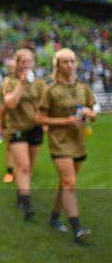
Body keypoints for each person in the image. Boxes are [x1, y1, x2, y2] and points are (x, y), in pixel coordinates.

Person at [36, 48, 96, 242]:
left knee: (65, 183)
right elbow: (39, 118)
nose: (70, 65)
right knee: (70, 183)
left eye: (72, 61)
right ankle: (77, 229)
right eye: (65, 62)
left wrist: (89, 113)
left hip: (79, 142)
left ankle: (53, 217)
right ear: (57, 65)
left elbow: (93, 113)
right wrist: (65, 121)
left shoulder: (83, 88)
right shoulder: (51, 90)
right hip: (60, 143)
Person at [2, 48, 45, 219]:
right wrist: (21, 83)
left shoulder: (39, 83)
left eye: (29, 61)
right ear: (17, 64)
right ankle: (27, 205)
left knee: (30, 166)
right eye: (23, 62)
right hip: (17, 128)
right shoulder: (10, 82)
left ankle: (21, 193)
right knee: (24, 165)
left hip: (35, 127)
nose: (27, 65)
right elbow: (10, 104)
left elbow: (45, 103)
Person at [0, 59, 16, 184]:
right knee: (9, 146)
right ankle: (10, 171)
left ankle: (22, 169)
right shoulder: (6, 83)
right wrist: (1, 124)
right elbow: (3, 105)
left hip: (26, 119)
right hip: (11, 120)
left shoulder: (27, 81)